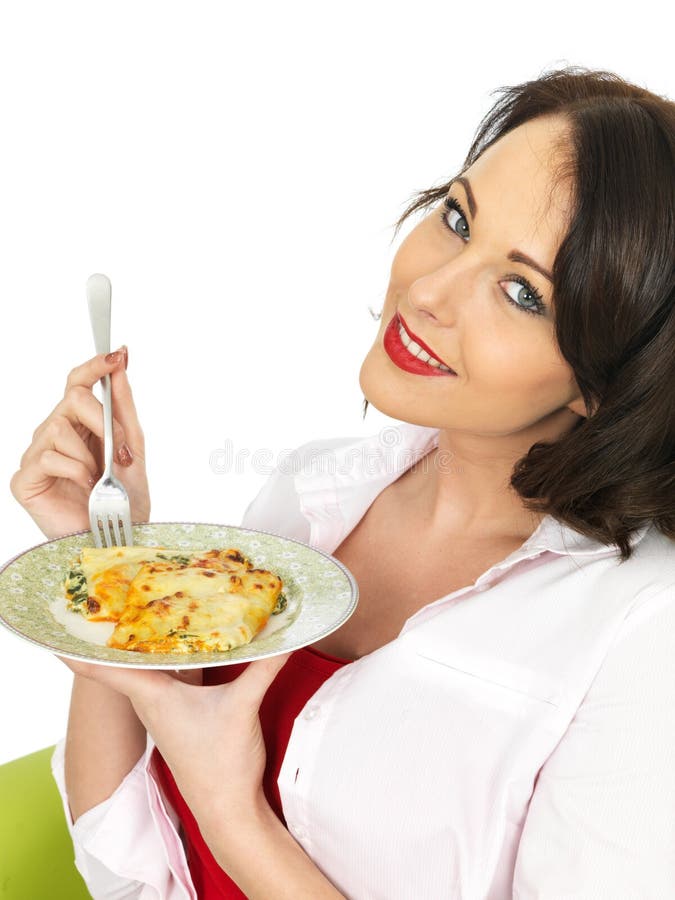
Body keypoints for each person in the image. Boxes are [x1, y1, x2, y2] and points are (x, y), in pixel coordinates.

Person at [10, 66, 675, 899]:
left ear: (613, 376)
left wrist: (232, 812)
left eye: (519, 291)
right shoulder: (311, 495)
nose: (426, 291)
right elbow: (124, 861)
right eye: (457, 218)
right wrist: (110, 562)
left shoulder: (642, 637)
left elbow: (208, 819)